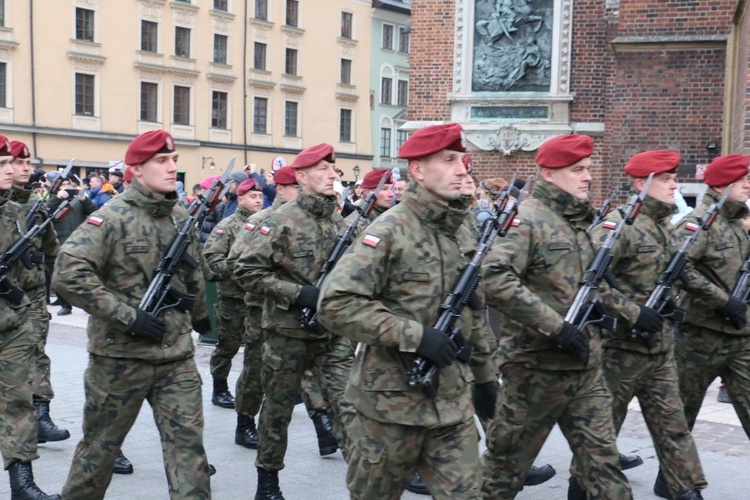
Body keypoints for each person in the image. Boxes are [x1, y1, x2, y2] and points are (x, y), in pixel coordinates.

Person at [318, 123, 498, 498]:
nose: (462, 169)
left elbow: (473, 313)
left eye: (463, 160)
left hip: (451, 407)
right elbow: (336, 304)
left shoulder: (462, 230)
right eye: (449, 160)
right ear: (418, 170)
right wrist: (415, 336)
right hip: (389, 408)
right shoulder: (389, 231)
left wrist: (485, 380)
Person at [53, 129, 212, 499]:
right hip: (119, 361)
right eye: (162, 161)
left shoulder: (179, 215)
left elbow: (195, 273)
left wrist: (202, 316)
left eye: (174, 159)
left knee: (189, 453)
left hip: (176, 357)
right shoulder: (111, 218)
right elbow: (67, 274)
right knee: (99, 452)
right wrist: (127, 315)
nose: (172, 168)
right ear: (136, 169)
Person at [481, 134, 633, 499]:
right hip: (535, 370)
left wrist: (626, 311)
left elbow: (585, 285)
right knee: (504, 470)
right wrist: (555, 326)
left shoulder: (580, 221)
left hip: (585, 369)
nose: (587, 177)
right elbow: (494, 277)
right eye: (577, 170)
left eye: (588, 169)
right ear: (549, 173)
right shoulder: (528, 218)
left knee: (604, 468)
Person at [572, 151, 705, 500]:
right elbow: (588, 282)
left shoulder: (664, 226)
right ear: (640, 183)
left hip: (659, 351)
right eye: (665, 178)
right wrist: (632, 311)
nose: (674, 185)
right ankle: (580, 489)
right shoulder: (618, 226)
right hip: (620, 351)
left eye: (674, 178)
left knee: (674, 431)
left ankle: (688, 491)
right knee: (601, 438)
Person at [234, 143, 354, 499]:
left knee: (349, 405)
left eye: (333, 168)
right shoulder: (279, 219)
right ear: (301, 178)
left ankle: (368, 478)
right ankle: (267, 482)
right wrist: (297, 294)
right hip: (288, 333)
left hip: (332, 334)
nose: (333, 174)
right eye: (323, 169)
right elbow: (246, 270)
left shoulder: (337, 220)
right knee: (278, 410)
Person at [670, 154, 750, 488]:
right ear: (721, 185)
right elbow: (677, 267)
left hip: (740, 337)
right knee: (679, 417)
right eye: (743, 180)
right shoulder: (699, 222)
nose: (748, 185)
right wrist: (722, 300)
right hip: (699, 339)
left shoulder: (737, 222)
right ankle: (674, 480)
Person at [0, 135, 61, 499]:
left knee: (18, 403)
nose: (12, 171)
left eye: (12, 164)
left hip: (12, 324)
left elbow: (40, 261)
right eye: (4, 164)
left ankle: (22, 484)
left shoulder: (15, 211)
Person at [7, 141, 71, 447]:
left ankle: (40, 416)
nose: (23, 169)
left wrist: (63, 284)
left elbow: (51, 249)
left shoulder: (36, 203)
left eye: (25, 163)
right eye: (17, 163)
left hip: (30, 295)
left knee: (36, 353)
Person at [203, 178, 265, 410]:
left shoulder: (266, 223)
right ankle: (220, 389)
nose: (258, 200)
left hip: (258, 298)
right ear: (240, 199)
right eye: (253, 196)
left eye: (260, 196)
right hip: (234, 298)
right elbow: (212, 258)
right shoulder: (227, 226)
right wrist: (241, 271)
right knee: (227, 345)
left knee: (257, 348)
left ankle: (254, 390)